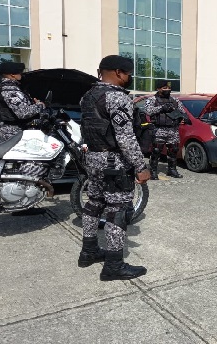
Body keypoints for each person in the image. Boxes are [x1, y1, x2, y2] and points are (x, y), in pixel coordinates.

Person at [79, 55, 151, 281]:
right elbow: (125, 137)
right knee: (117, 210)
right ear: (119, 73)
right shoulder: (117, 98)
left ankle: (88, 251)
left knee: (94, 204)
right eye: (129, 74)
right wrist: (141, 165)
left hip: (93, 158)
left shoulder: (87, 96)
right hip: (114, 162)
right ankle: (113, 265)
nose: (129, 78)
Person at [0, 61, 45, 141]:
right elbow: (23, 113)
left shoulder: (1, 87)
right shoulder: (10, 90)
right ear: (12, 75)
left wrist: (32, 104)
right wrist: (40, 105)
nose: (21, 74)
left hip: (8, 131)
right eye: (20, 72)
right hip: (15, 133)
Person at [143, 80, 188, 179]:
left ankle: (172, 170)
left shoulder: (175, 100)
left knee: (174, 150)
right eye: (164, 88)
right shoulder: (152, 99)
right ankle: (153, 171)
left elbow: (182, 111)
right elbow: (147, 110)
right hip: (159, 129)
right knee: (156, 150)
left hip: (173, 130)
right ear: (158, 89)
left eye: (168, 88)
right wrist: (161, 108)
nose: (167, 90)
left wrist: (183, 118)